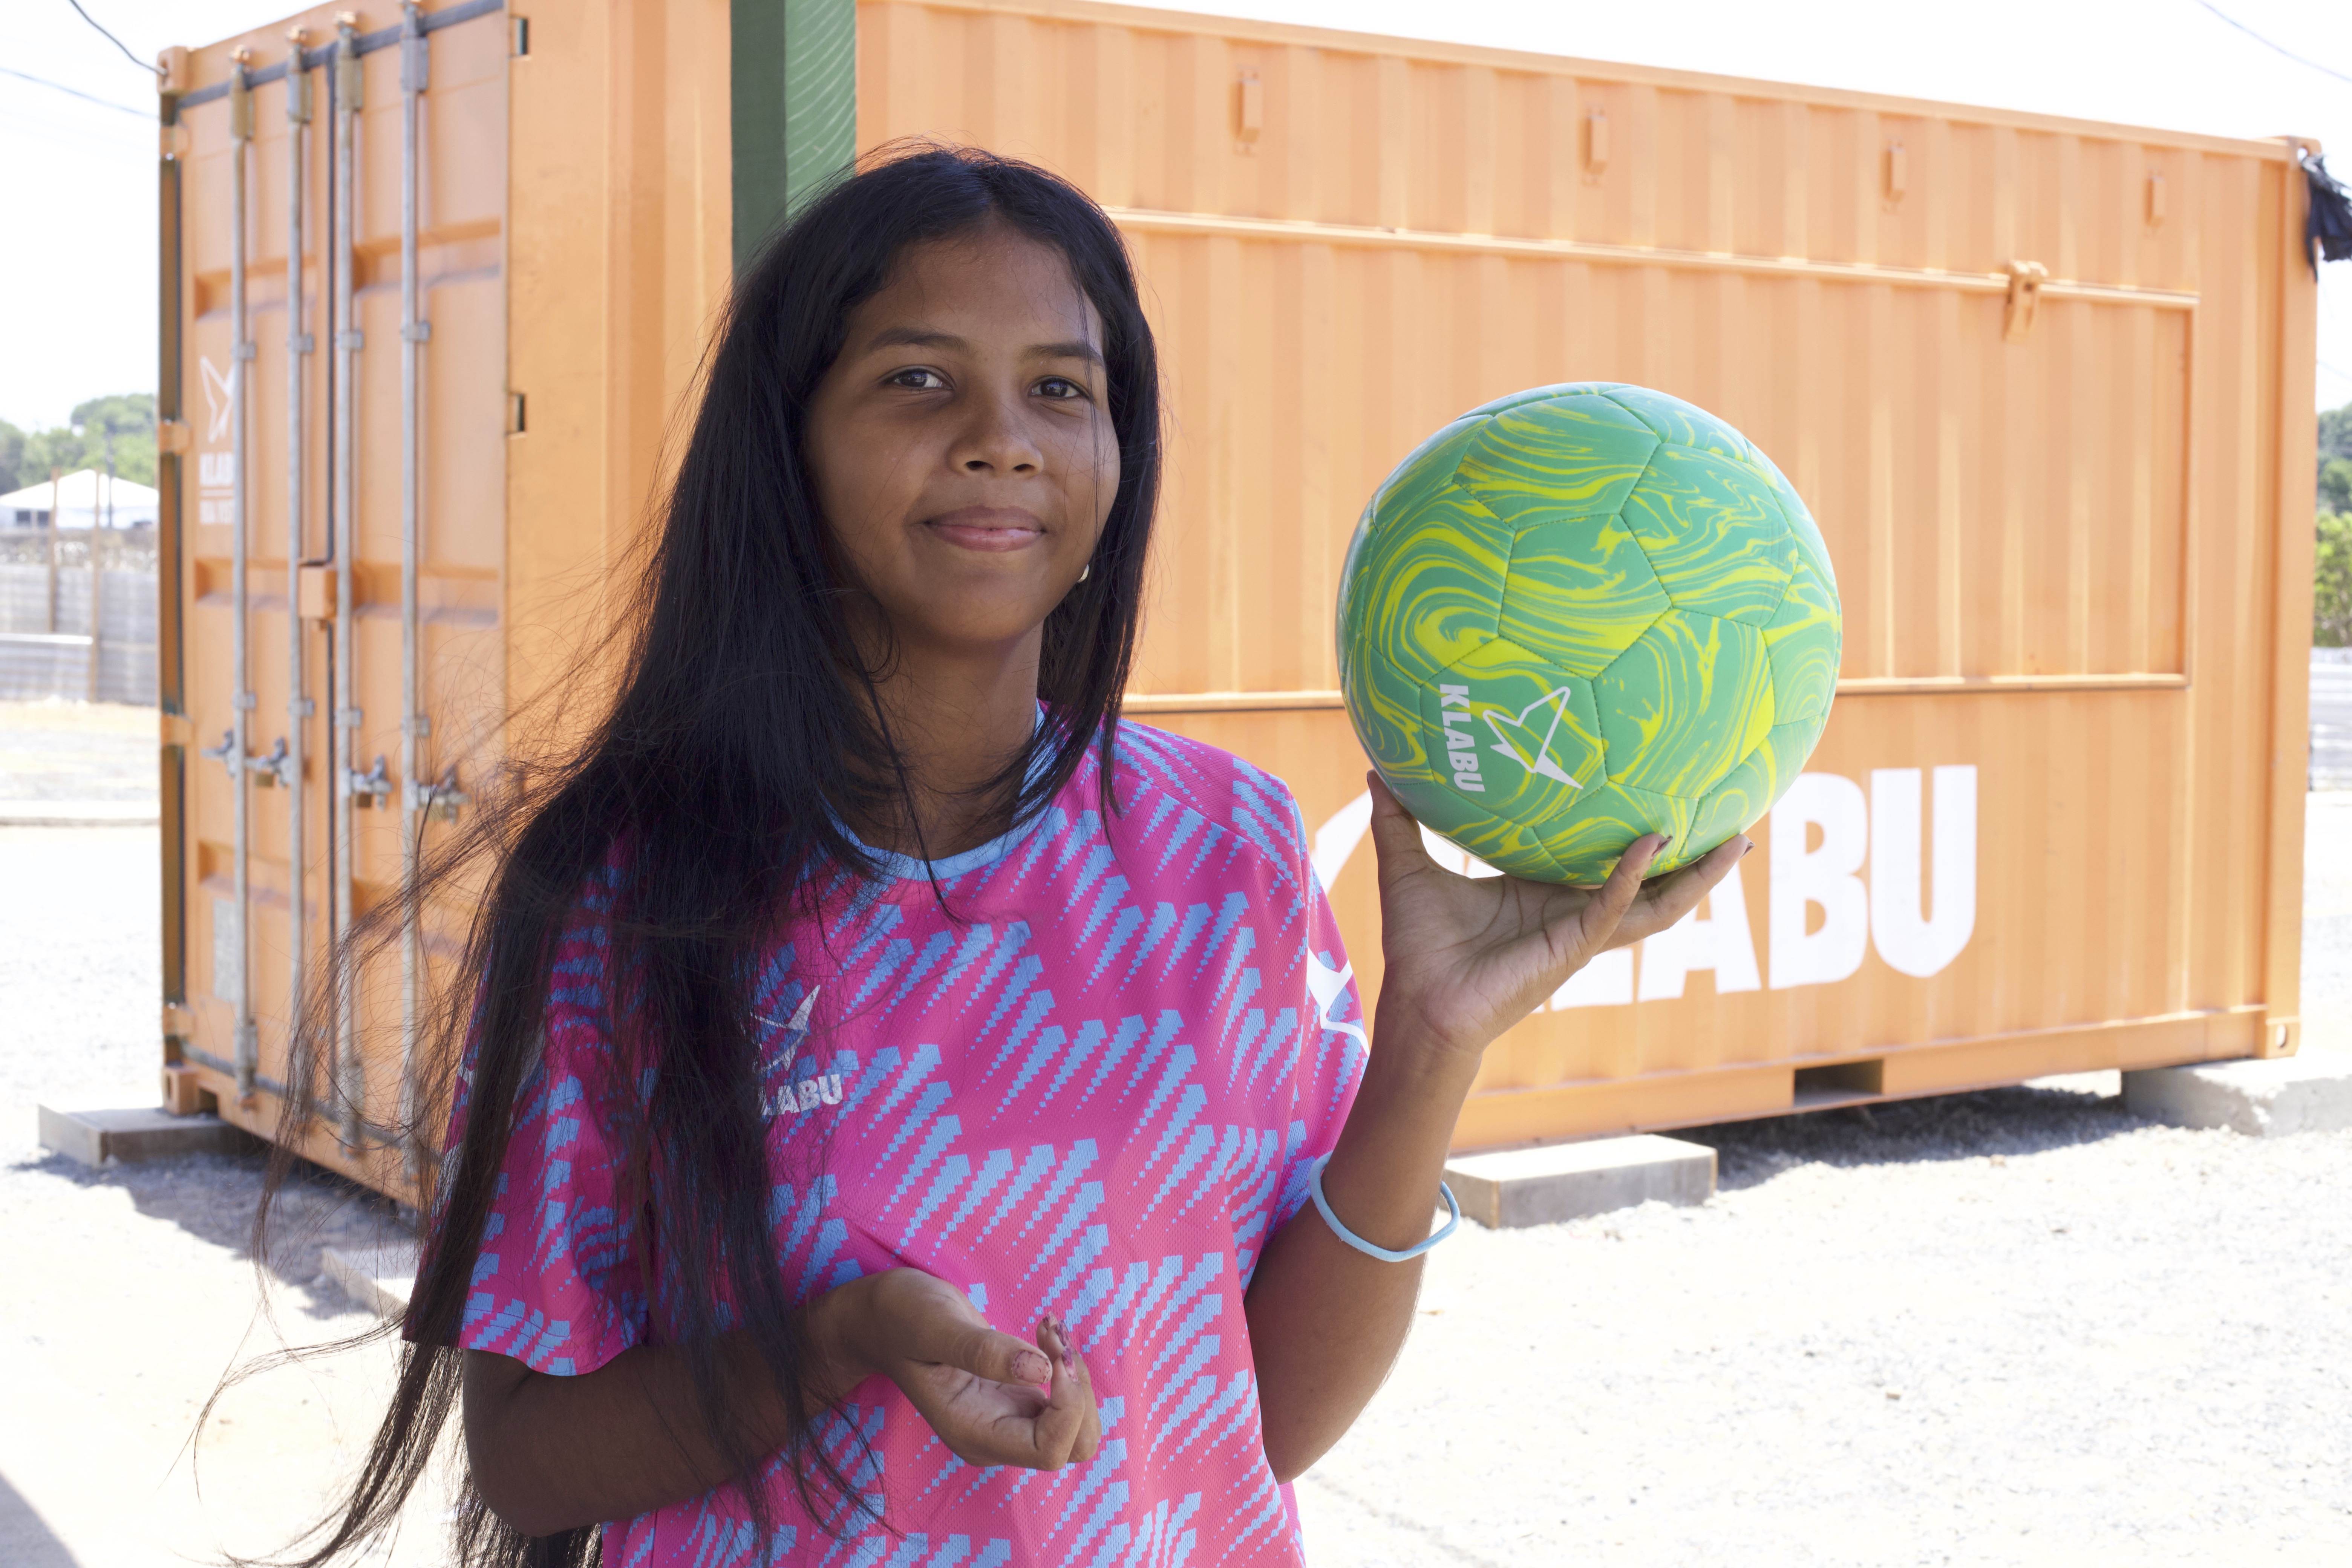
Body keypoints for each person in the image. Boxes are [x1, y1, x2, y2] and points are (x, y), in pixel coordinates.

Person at [290, 145, 1746, 1567]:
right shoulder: (624, 892)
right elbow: (530, 1459)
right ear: (786, 449)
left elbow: (1265, 1427)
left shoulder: (1226, 847)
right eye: (918, 380)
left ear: (1119, 460)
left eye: (1062, 388)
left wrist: (1432, 1042)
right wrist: (832, 1345)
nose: (1004, 437)